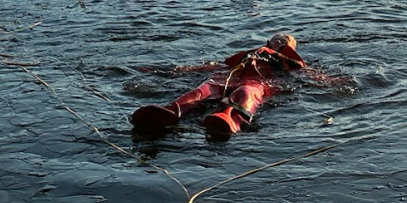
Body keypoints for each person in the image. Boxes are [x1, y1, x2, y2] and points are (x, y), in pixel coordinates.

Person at [131, 33, 306, 138]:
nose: (278, 42)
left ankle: (230, 118)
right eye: (275, 39)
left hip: (259, 81)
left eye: (282, 41)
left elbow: (310, 75)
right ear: (268, 42)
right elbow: (216, 66)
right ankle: (172, 111)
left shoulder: (290, 62)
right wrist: (173, 71)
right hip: (227, 76)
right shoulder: (250, 54)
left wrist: (323, 82)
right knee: (204, 89)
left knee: (247, 92)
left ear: (290, 48)